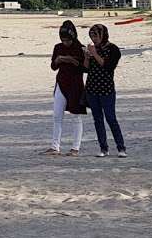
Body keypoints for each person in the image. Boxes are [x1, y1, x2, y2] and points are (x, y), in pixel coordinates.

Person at [41, 20, 86, 155]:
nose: (66, 43)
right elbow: (53, 67)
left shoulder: (81, 48)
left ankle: (75, 147)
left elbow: (86, 68)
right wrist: (58, 60)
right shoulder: (58, 47)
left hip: (76, 85)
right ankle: (55, 146)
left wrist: (73, 61)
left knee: (75, 117)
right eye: (63, 40)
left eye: (68, 40)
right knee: (57, 116)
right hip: (61, 83)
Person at [84, 23, 128, 158]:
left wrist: (95, 54)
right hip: (92, 89)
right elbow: (86, 69)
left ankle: (121, 148)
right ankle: (104, 148)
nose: (94, 39)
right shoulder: (93, 49)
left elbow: (108, 66)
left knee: (111, 119)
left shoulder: (113, 49)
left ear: (102, 35)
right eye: (91, 36)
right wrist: (87, 56)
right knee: (97, 120)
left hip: (107, 89)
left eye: (95, 36)